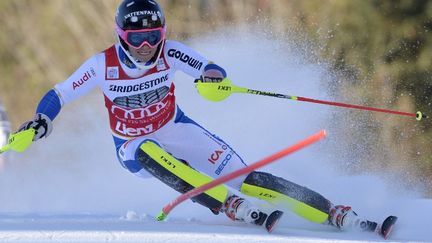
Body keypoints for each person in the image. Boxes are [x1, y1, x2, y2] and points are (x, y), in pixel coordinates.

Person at [16, 0, 371, 232]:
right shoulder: (101, 65)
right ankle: (224, 203)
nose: (145, 47)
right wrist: (41, 120)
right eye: (137, 39)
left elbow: (208, 67)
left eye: (152, 36)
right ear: (121, 37)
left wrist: (213, 78)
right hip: (133, 145)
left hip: (176, 128)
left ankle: (333, 212)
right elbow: (60, 93)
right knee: (151, 151)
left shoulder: (170, 52)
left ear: (163, 34)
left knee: (246, 177)